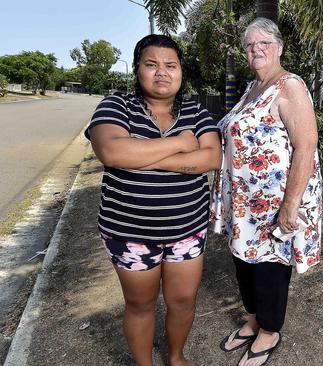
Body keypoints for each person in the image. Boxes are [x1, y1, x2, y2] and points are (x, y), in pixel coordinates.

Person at [85, 34, 221, 366]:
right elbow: (111, 150)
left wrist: (141, 155)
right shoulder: (117, 104)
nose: (162, 72)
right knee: (140, 305)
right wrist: (180, 143)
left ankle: (175, 357)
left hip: (187, 232)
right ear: (137, 70)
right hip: (129, 235)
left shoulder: (195, 111)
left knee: (183, 300)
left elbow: (212, 158)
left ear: (181, 73)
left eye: (170, 65)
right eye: (151, 64)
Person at [210, 17, 323, 366]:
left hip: (275, 201)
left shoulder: (290, 86)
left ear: (279, 48)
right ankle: (254, 320)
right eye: (250, 45)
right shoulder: (252, 88)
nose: (257, 49)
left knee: (270, 266)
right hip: (244, 201)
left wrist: (290, 207)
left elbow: (306, 146)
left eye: (265, 43)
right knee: (243, 260)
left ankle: (270, 331)